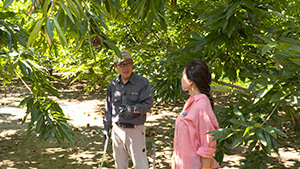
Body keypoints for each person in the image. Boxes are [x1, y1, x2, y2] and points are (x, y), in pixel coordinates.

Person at [103, 50, 154, 169]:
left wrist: (133, 109)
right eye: (122, 65)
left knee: (141, 165)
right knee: (120, 166)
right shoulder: (113, 85)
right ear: (115, 66)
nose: (126, 68)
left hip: (135, 130)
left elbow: (148, 103)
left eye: (128, 64)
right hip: (117, 130)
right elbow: (108, 108)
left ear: (132, 64)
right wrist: (106, 126)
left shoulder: (142, 82)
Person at [171, 60, 220, 169]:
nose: (181, 78)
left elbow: (207, 141)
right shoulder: (191, 101)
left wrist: (206, 168)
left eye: (183, 75)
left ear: (191, 81)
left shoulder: (201, 105)